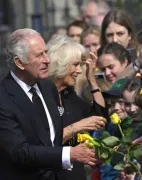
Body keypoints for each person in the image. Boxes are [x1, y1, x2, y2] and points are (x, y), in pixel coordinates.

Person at [0, 28, 99, 180]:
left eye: (46, 52)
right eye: (39, 55)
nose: (47, 59)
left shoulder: (48, 88)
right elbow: (20, 151)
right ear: (19, 62)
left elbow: (53, 138)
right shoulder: (4, 98)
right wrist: (69, 154)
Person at [47, 35, 107, 180]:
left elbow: (99, 116)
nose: (79, 71)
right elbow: (44, 142)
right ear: (60, 64)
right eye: (75, 65)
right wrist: (77, 127)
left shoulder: (68, 94)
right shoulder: (41, 96)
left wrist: (92, 79)